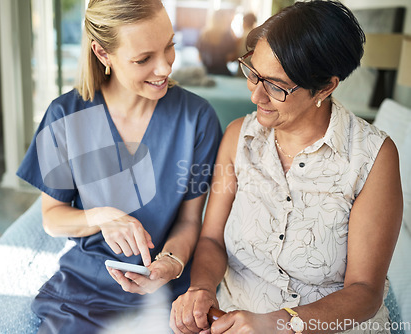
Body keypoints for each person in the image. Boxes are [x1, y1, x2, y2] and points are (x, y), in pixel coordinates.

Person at [170, 1, 403, 333]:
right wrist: (202, 289)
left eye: (276, 87)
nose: (256, 97)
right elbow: (212, 238)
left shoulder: (372, 157)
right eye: (254, 74)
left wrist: (278, 323)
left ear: (324, 87)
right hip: (232, 322)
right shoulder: (239, 137)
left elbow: (365, 292)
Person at [16, 0, 222, 333]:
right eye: (144, 59)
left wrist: (171, 263)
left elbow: (188, 221)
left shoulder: (197, 119)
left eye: (169, 47)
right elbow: (53, 218)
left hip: (166, 294)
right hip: (85, 290)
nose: (165, 68)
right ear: (102, 54)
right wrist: (101, 216)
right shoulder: (65, 116)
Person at [196, 9, 237, 76]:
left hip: (206, 73)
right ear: (224, 20)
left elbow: (199, 58)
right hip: (222, 73)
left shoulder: (204, 34)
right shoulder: (227, 35)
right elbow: (231, 58)